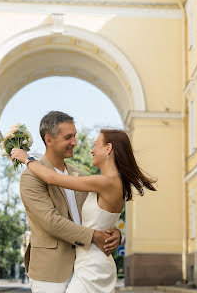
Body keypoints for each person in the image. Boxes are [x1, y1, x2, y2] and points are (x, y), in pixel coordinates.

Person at [12, 124, 157, 293]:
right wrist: (117, 234)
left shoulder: (105, 181)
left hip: (93, 265)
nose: (91, 150)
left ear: (108, 148)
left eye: (96, 144)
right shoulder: (107, 181)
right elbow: (99, 218)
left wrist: (26, 158)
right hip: (86, 262)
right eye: (69, 137)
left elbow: (51, 178)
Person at [18, 111, 121, 293]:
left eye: (74, 136)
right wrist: (95, 236)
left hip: (85, 268)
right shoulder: (31, 177)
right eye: (68, 137)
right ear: (49, 140)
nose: (74, 142)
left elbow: (96, 214)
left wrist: (116, 233)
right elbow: (51, 221)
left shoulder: (79, 175)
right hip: (51, 272)